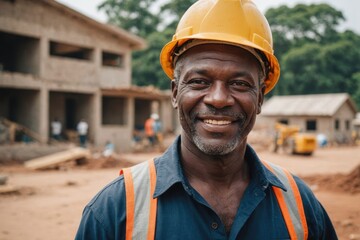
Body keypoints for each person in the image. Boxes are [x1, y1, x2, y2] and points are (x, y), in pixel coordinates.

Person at [75, 0, 337, 239]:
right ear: (175, 93)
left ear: (260, 99)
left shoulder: (300, 207)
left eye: (239, 83)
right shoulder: (115, 211)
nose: (219, 99)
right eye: (200, 81)